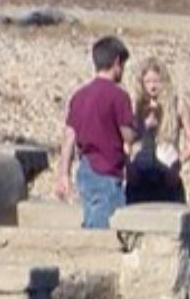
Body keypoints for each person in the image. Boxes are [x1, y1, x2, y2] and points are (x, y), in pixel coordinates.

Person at [53, 36, 137, 229]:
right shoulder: (118, 96)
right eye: (122, 66)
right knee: (103, 228)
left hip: (85, 169)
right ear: (116, 62)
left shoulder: (79, 96)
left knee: (90, 216)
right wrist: (139, 128)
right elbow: (128, 136)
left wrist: (63, 173)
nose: (122, 71)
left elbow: (69, 138)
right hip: (107, 170)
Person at [124, 56, 190, 205]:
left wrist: (179, 162)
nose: (152, 86)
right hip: (139, 173)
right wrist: (129, 167)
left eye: (156, 81)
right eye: (148, 82)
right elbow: (125, 141)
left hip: (167, 169)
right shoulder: (134, 107)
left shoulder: (177, 105)